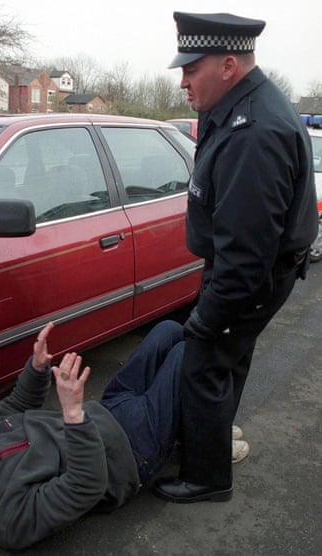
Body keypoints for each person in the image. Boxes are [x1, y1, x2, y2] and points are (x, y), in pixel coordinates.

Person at [154, 12, 319, 504]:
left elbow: (246, 255)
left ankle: (207, 477)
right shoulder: (235, 106)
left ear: (228, 65)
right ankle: (216, 439)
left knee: (203, 360)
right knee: (229, 358)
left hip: (249, 277)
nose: (182, 81)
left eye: (191, 69)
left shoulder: (254, 131)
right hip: (252, 272)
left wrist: (207, 317)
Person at [0, 320, 185, 550]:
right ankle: (206, 438)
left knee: (167, 330)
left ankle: (195, 412)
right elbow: (86, 485)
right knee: (185, 354)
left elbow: (14, 408)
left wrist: (36, 368)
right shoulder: (7, 519)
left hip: (104, 409)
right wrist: (72, 414)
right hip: (129, 451)